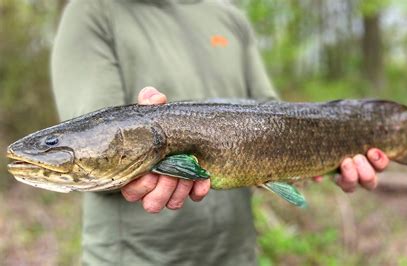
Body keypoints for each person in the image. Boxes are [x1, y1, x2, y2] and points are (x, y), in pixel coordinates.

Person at [51, 0, 389, 265]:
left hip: (237, 253)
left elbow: (273, 116)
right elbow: (91, 146)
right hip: (137, 258)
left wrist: (321, 161)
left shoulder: (230, 17)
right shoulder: (91, 12)